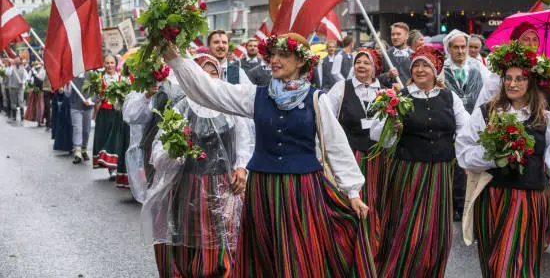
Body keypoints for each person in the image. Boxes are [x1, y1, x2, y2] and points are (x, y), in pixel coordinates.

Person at [163, 33, 376, 277]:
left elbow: (337, 146)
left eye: (283, 55)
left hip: (302, 189)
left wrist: (353, 192)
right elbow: (210, 90)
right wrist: (176, 59)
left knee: (300, 253)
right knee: (263, 256)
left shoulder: (316, 99)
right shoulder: (257, 96)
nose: (274, 60)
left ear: (301, 62)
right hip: (263, 190)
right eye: (272, 54)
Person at [456, 42, 550, 277]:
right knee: (494, 263)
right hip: (494, 196)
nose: (512, 83)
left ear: (531, 84)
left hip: (529, 199)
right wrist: (496, 157)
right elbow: (465, 151)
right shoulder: (487, 112)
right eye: (508, 78)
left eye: (519, 79)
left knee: (517, 262)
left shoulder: (544, 117)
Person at [142, 54, 254, 277]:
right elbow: (159, 150)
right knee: (187, 234)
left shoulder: (230, 107)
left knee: (222, 235)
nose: (209, 78)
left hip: (224, 184)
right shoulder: (181, 108)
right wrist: (174, 155)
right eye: (204, 73)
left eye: (214, 73)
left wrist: (242, 167)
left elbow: (245, 142)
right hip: (188, 184)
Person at [372, 46, 469, 277]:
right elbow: (377, 135)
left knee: (436, 229)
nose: (420, 69)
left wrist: (466, 160)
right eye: (416, 65)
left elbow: (465, 129)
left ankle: (430, 271)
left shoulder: (448, 96)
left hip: (441, 172)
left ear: (436, 69)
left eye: (425, 65)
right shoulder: (399, 97)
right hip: (408, 171)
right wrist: (391, 127)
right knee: (408, 228)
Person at [327, 47, 384, 255]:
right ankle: (348, 246)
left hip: (377, 158)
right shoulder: (341, 88)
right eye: (358, 62)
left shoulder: (384, 92)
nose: (361, 66)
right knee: (350, 200)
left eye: (366, 62)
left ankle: (371, 248)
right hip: (350, 155)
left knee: (375, 200)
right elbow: (327, 119)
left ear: (375, 67)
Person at [442, 30, 485, 222]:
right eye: (456, 47)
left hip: (473, 125)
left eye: (463, 47)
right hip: (449, 126)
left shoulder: (478, 69)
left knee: (469, 166)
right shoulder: (441, 72)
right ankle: (451, 204)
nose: (460, 51)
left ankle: (465, 205)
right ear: (448, 49)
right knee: (452, 167)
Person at [92, 55, 130, 186]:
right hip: (104, 113)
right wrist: (99, 96)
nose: (109, 65)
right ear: (104, 64)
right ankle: (110, 168)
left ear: (116, 64)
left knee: (115, 139)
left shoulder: (123, 79)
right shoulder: (99, 80)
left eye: (112, 62)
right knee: (104, 139)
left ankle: (114, 167)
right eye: (107, 63)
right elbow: (96, 98)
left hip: (117, 113)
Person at [69, 71, 96, 164]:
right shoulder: (71, 75)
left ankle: (84, 149)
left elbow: (96, 92)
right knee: (77, 128)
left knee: (86, 130)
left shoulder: (91, 75)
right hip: (75, 106)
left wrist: (90, 100)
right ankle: (77, 152)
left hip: (87, 107)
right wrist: (66, 86)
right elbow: (67, 94)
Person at [380, 22, 411, 87]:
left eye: (398, 34)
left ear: (407, 36)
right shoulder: (384, 55)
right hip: (389, 95)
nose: (395, 37)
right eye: (392, 34)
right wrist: (388, 75)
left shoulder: (414, 56)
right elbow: (376, 79)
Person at [24, 60, 45, 126]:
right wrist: (30, 86)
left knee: (41, 105)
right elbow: (28, 79)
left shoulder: (42, 71)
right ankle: (37, 119)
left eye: (38, 66)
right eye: (36, 66)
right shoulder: (32, 71)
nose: (37, 68)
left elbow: (42, 79)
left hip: (41, 90)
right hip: (34, 91)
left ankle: (40, 119)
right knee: (34, 106)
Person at [8, 57, 26, 122]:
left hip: (20, 87)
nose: (17, 61)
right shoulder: (11, 68)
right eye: (16, 60)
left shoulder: (23, 68)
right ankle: (14, 116)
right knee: (13, 102)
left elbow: (25, 77)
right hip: (13, 87)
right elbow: (8, 74)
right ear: (14, 61)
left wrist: (23, 82)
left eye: (18, 60)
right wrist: (11, 65)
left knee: (21, 100)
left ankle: (22, 115)